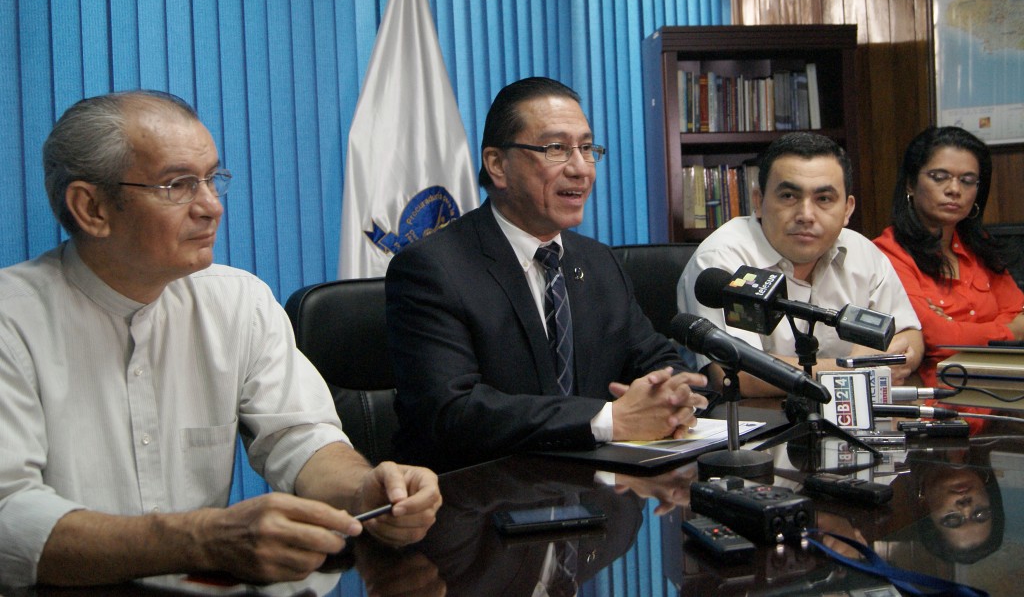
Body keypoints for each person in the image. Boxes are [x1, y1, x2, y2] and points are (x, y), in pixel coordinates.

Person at [0, 91, 441, 588]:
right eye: (178, 185)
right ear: (92, 208)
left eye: (212, 179)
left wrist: (363, 491)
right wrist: (199, 539)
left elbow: (300, 437)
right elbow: (9, 516)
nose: (211, 207)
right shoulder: (10, 320)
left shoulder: (238, 301)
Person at [386, 77, 708, 472]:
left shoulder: (598, 262)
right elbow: (452, 411)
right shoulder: (432, 269)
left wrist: (672, 396)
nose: (581, 169)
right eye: (556, 148)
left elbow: (655, 358)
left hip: (597, 491)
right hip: (480, 494)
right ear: (497, 165)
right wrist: (609, 420)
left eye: (587, 148)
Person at [677, 132, 923, 396]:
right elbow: (736, 372)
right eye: (788, 196)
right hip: (751, 418)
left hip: (845, 414)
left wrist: (897, 356)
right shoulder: (720, 259)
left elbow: (909, 335)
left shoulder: (862, 252)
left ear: (847, 209)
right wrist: (853, 370)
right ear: (758, 201)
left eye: (824, 199)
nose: (806, 215)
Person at [873, 126, 1024, 390]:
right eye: (939, 177)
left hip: (1003, 393)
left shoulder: (979, 246)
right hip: (940, 401)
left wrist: (958, 329)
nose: (954, 189)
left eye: (967, 180)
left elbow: (1019, 313)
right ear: (911, 183)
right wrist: (1009, 330)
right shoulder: (887, 253)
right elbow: (937, 337)